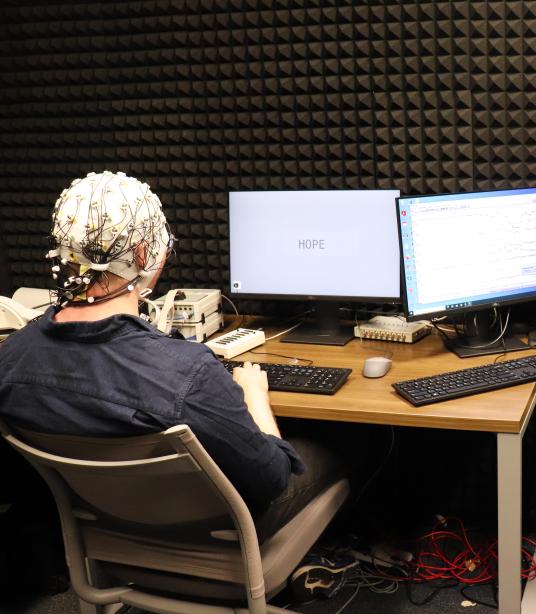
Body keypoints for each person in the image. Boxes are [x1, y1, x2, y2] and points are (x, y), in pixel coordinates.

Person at [0, 171, 342, 538]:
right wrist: (255, 398)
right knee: (343, 447)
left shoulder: (11, 360)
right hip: (218, 540)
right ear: (146, 255)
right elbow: (274, 479)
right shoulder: (189, 374)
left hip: (106, 537)